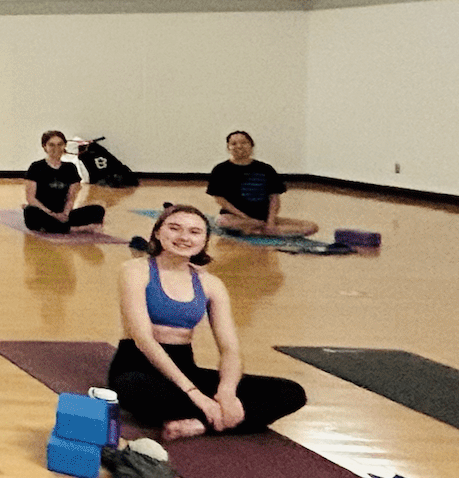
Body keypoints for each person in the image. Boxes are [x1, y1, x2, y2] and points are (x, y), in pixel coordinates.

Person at [106, 204, 306, 440]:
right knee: (134, 389)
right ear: (158, 232)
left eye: (194, 232)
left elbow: (230, 349)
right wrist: (195, 394)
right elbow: (143, 339)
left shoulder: (211, 284)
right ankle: (221, 416)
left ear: (205, 240)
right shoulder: (135, 270)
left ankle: (201, 424)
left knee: (291, 392)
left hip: (185, 367)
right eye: (174, 228)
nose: (183, 237)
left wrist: (227, 392)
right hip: (138, 366)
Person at [207, 130, 317, 238]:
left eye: (244, 143)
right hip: (235, 217)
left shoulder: (266, 169)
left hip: (262, 218)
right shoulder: (220, 170)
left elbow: (274, 198)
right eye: (234, 144)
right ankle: (263, 230)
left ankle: (258, 231)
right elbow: (220, 200)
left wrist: (270, 221)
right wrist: (246, 219)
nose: (239, 146)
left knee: (311, 227)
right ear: (228, 148)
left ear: (251, 146)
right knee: (222, 221)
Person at [22, 130, 105, 234]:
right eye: (51, 145)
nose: (56, 148)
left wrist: (65, 214)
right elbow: (30, 197)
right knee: (30, 211)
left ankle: (58, 226)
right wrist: (51, 214)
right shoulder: (36, 167)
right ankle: (74, 229)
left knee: (98, 209)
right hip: (43, 212)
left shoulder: (70, 168)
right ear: (44, 147)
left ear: (64, 145)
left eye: (60, 144)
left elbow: (71, 197)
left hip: (63, 213)